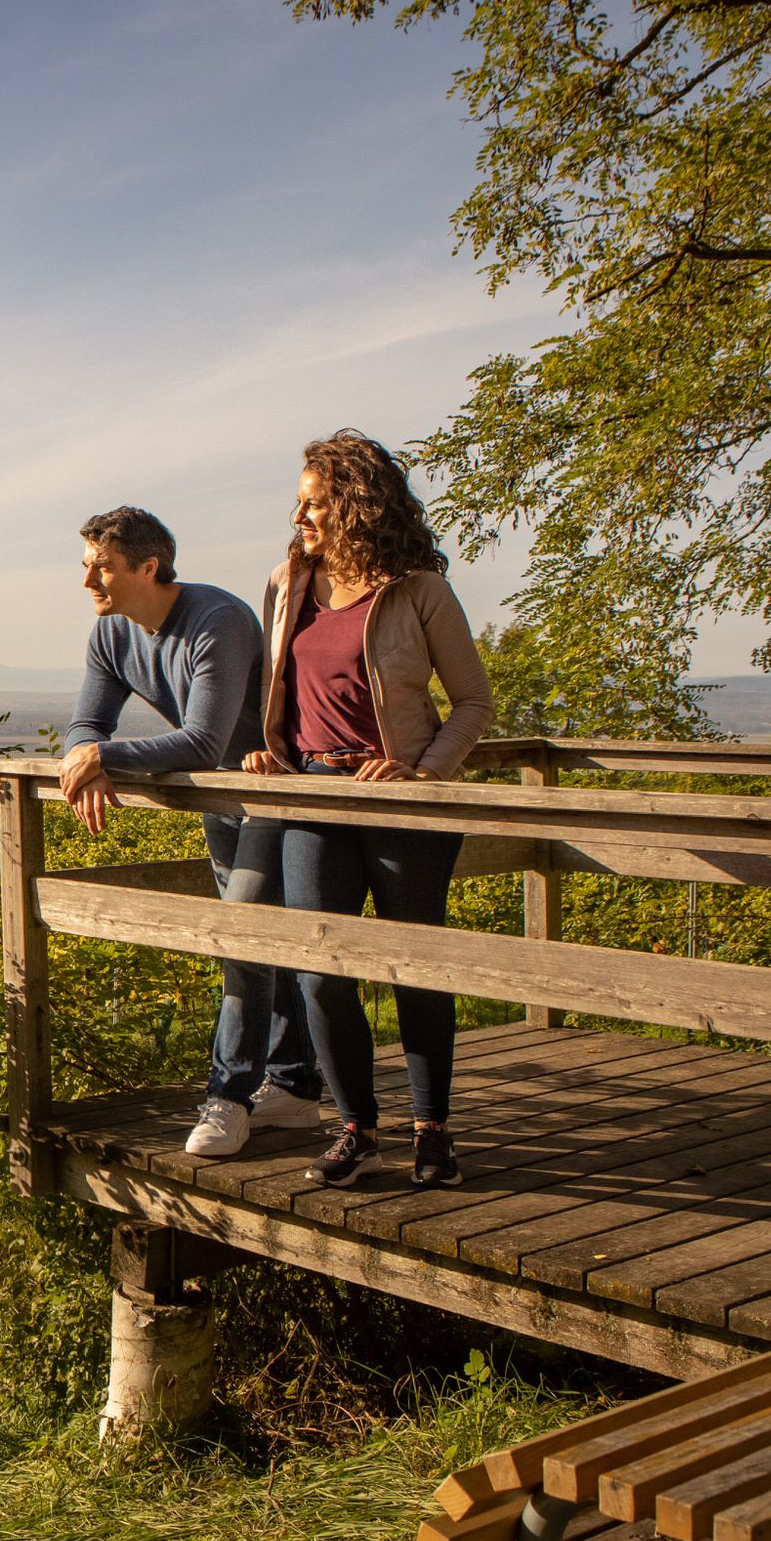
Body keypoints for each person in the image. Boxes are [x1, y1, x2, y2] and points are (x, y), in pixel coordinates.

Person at [242, 432, 495, 1190]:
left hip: (400, 801)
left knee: (416, 967)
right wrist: (271, 752)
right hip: (313, 793)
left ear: (356, 502)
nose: (300, 515)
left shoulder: (419, 588)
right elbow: (285, 691)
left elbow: (474, 701)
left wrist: (423, 771)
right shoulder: (287, 583)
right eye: (300, 502)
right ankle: (356, 1127)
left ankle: (433, 1131)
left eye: (314, 502)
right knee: (320, 971)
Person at [60, 505, 320, 1158]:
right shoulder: (112, 634)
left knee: (242, 934)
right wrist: (84, 753)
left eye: (103, 567)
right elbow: (87, 723)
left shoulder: (218, 621)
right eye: (86, 565)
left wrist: (105, 758)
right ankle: (293, 1083)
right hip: (220, 800)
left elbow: (203, 741)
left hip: (270, 785)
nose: (89, 580)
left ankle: (229, 1097)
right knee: (259, 937)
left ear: (148, 567)